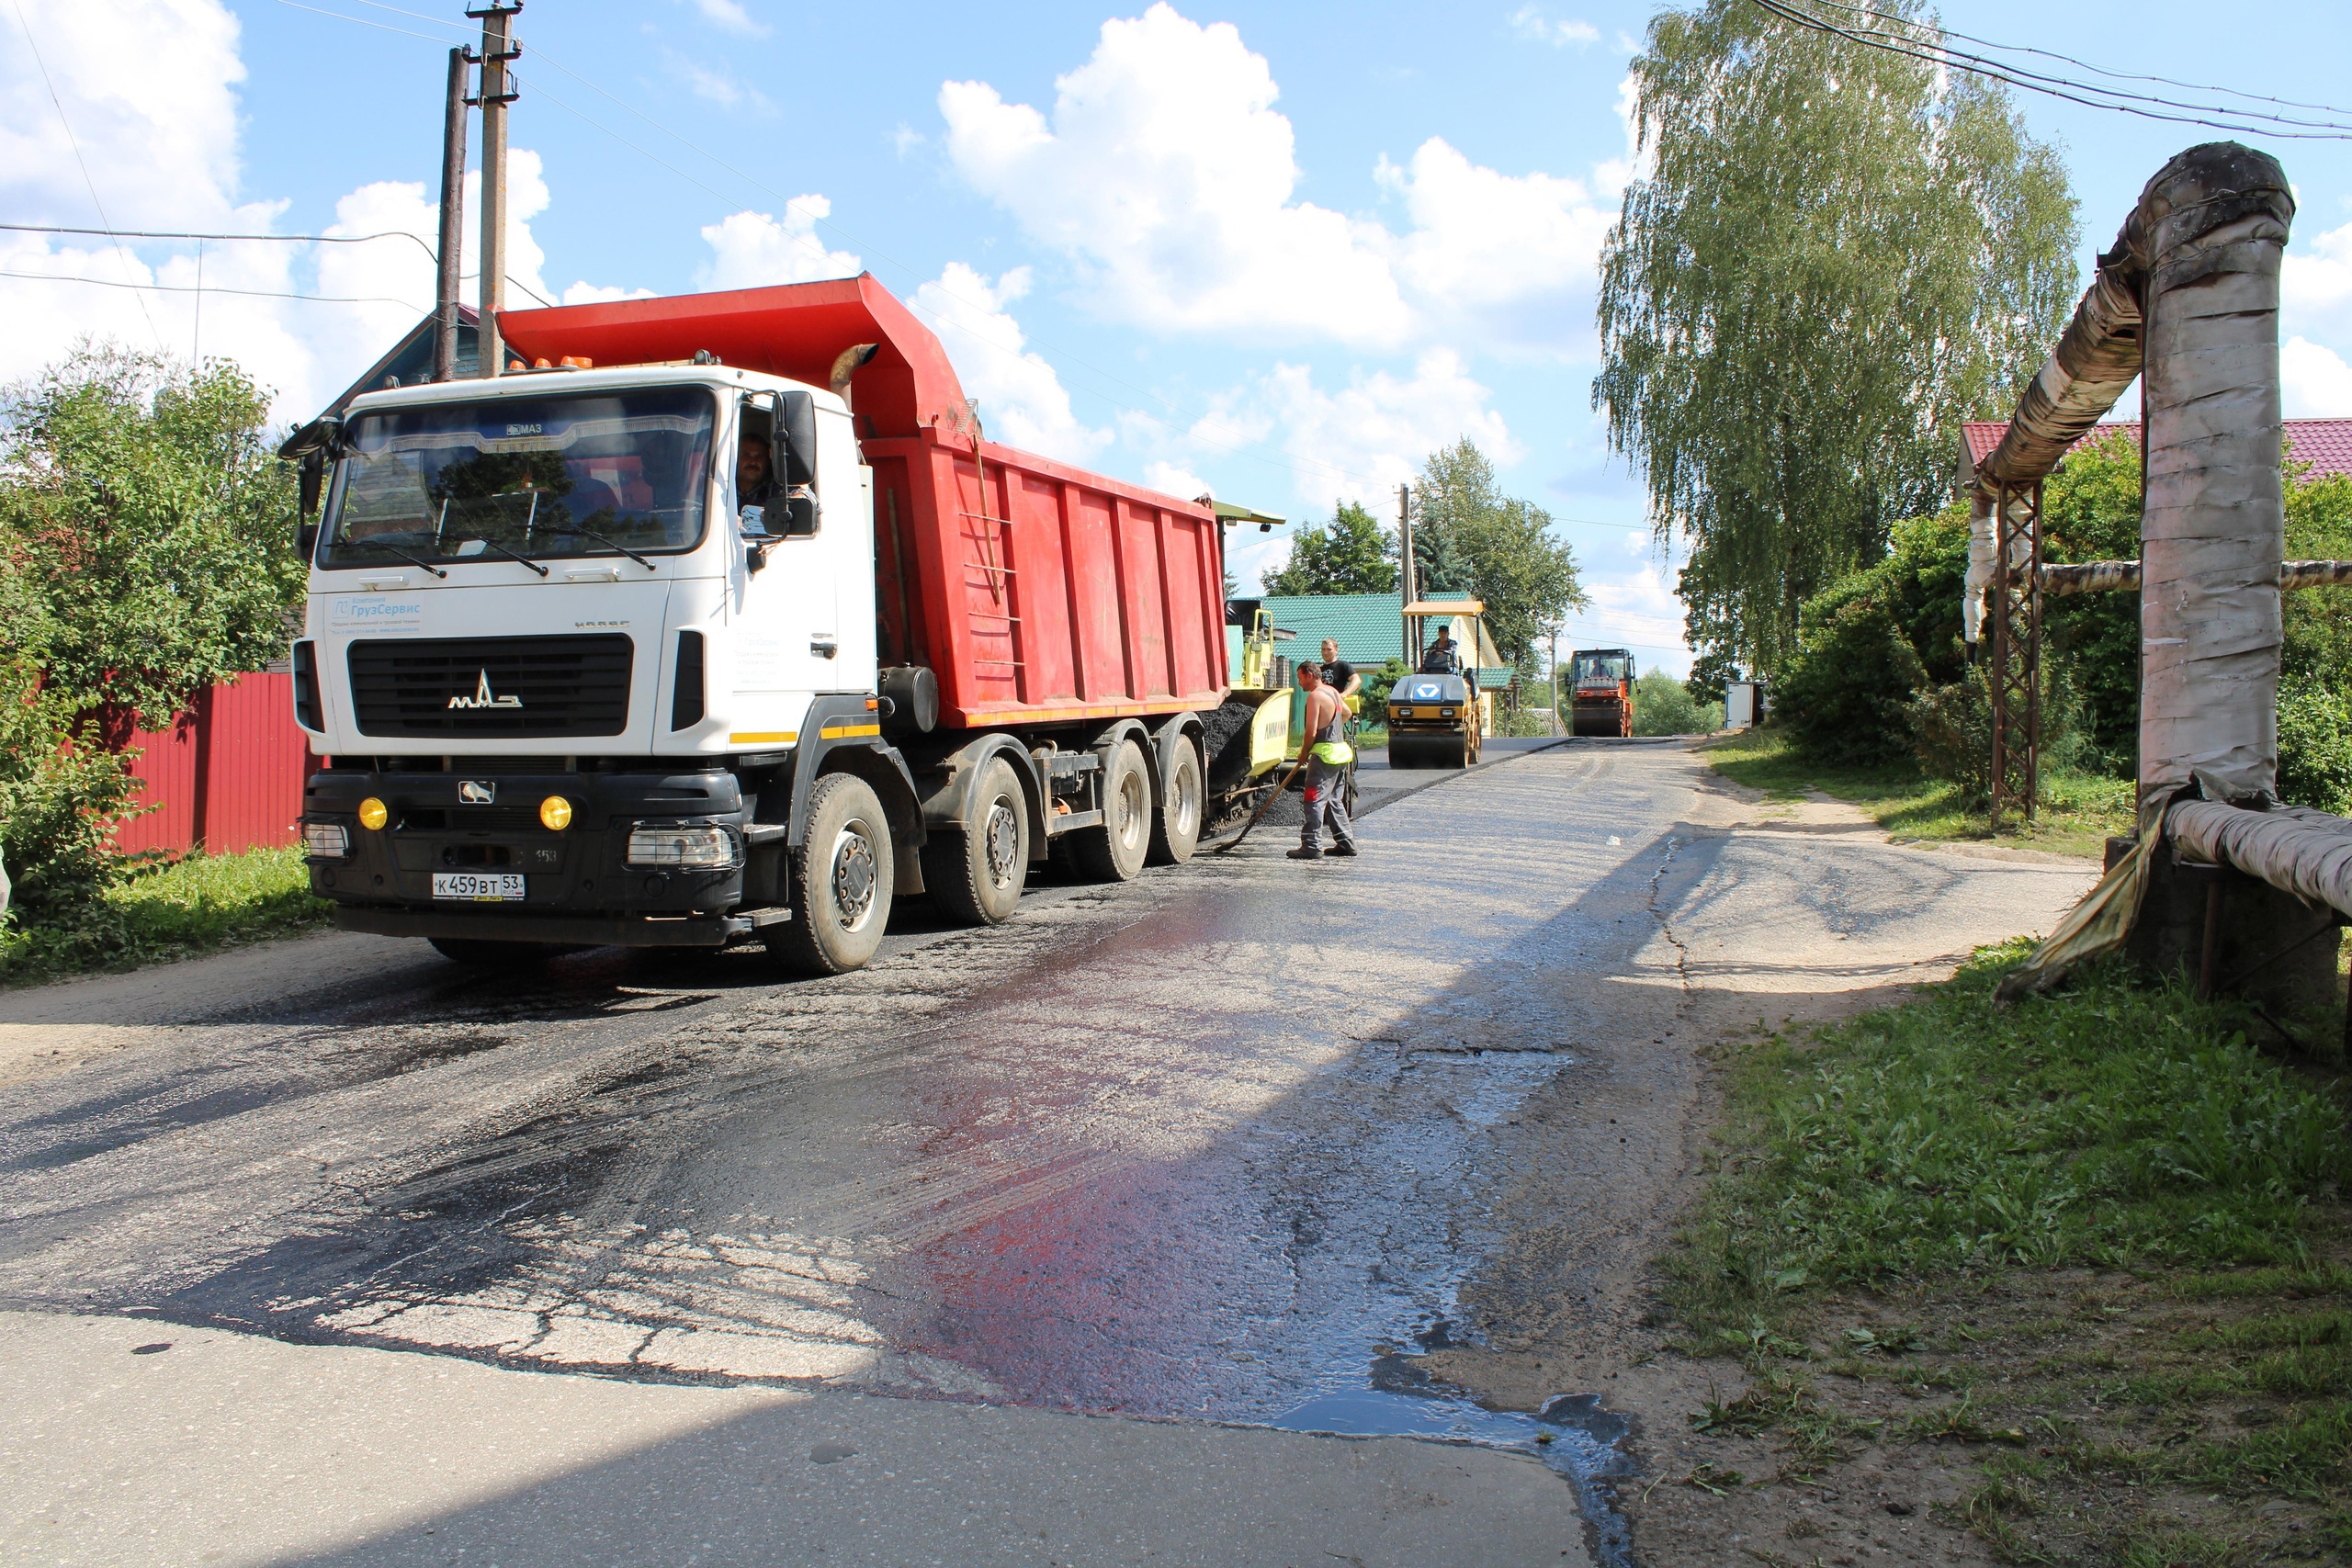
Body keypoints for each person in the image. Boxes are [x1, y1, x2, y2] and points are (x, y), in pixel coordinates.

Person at [1287, 662, 1357, 861]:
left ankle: (1311, 846)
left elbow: (1311, 731)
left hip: (1324, 756)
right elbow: (1347, 713)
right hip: (1340, 753)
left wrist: (1303, 754)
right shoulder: (1333, 692)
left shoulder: (1315, 696)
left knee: (1314, 799)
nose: (1299, 682)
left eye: (1300, 677)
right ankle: (1346, 843)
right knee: (1334, 800)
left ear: (1309, 675)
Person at [737, 432, 776, 509]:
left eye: (759, 457)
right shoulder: (718, 486)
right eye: (746, 456)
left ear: (767, 461)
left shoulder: (777, 488)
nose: (753, 462)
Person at [1317, 637, 1360, 702]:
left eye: (1329, 649)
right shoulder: (1319, 669)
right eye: (1323, 649)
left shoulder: (1342, 665)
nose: (1325, 652)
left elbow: (1357, 680)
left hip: (1338, 706)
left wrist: (1345, 694)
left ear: (1336, 650)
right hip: (1323, 705)